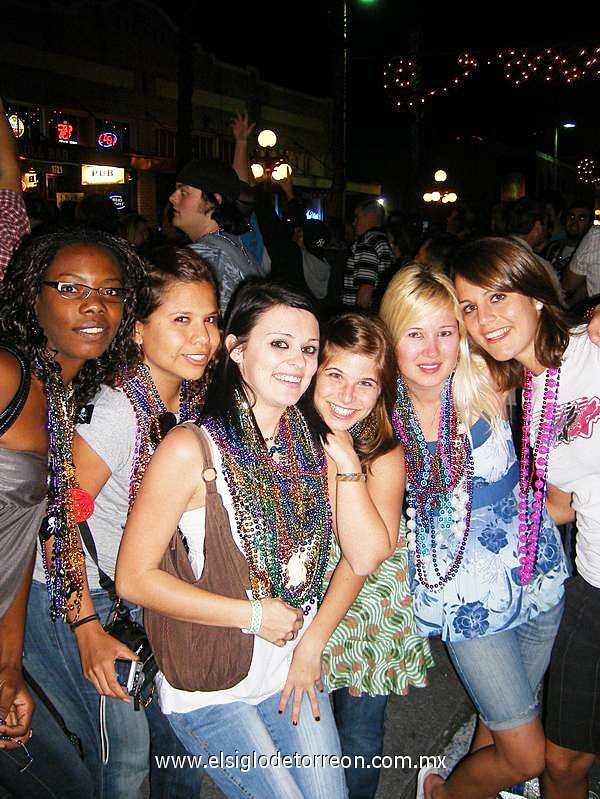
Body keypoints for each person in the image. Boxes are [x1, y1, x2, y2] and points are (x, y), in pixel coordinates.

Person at [116, 282, 392, 798]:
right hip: (211, 680)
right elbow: (133, 579)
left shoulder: (312, 445)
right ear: (237, 349)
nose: (298, 362)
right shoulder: (189, 448)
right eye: (280, 344)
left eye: (309, 349)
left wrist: (349, 463)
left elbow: (368, 553)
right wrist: (254, 616)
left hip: (287, 667)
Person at [23, 246, 219, 798]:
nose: (201, 337)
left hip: (135, 592)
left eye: (208, 318)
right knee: (125, 758)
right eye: (180, 320)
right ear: (137, 331)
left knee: (179, 742)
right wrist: (88, 633)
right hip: (77, 595)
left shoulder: (186, 399)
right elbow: (55, 515)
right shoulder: (118, 410)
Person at [378, 263, 568, 799]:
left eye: (445, 330)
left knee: (510, 710)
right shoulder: (378, 414)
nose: (433, 349)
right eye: (415, 334)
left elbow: (546, 335)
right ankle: (441, 793)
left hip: (536, 569)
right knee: (526, 752)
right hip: (468, 598)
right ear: (392, 337)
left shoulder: (486, 375)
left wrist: (590, 322)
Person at [453, 237, 600, 799]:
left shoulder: (590, 344)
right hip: (590, 575)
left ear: (537, 295)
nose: (483, 318)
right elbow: (560, 502)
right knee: (560, 764)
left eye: (497, 296)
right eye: (468, 307)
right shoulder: (530, 394)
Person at [0, 227, 145, 794]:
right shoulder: (9, 374)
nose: (95, 305)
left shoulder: (61, 392)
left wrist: (10, 667)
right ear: (31, 297)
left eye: (111, 291)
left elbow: (17, 553)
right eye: (70, 287)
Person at [282, 312, 432, 799]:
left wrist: (348, 464)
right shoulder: (283, 427)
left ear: (382, 390)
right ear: (312, 372)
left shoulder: (382, 452)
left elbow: (361, 558)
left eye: (365, 383)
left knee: (361, 735)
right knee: (305, 731)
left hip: (367, 606)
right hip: (300, 595)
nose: (348, 397)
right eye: (335, 376)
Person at [169, 157, 260, 313]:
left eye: (184, 192)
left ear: (213, 202)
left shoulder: (203, 256)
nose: (172, 197)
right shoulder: (235, 247)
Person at [342, 199, 393, 311]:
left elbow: (366, 287)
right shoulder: (383, 241)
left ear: (370, 216)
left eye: (357, 217)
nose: (354, 223)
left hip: (360, 315)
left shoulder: (367, 242)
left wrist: (358, 318)